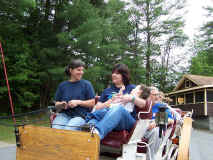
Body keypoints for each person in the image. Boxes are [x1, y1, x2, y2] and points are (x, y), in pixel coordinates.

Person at [85, 63, 149, 140]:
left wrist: (131, 98)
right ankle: (88, 134)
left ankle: (97, 133)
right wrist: (109, 102)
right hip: (108, 115)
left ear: (124, 75)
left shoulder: (133, 88)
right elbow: (97, 107)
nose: (114, 75)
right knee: (94, 120)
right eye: (113, 73)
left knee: (118, 109)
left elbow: (144, 104)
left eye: (117, 73)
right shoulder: (107, 91)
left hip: (126, 120)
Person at [52, 59, 95, 130]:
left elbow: (92, 103)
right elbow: (56, 103)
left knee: (68, 130)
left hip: (80, 117)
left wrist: (78, 102)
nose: (81, 72)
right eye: (78, 70)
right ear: (71, 70)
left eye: (82, 70)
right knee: (55, 130)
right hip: (64, 115)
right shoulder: (62, 85)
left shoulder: (87, 84)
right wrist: (61, 104)